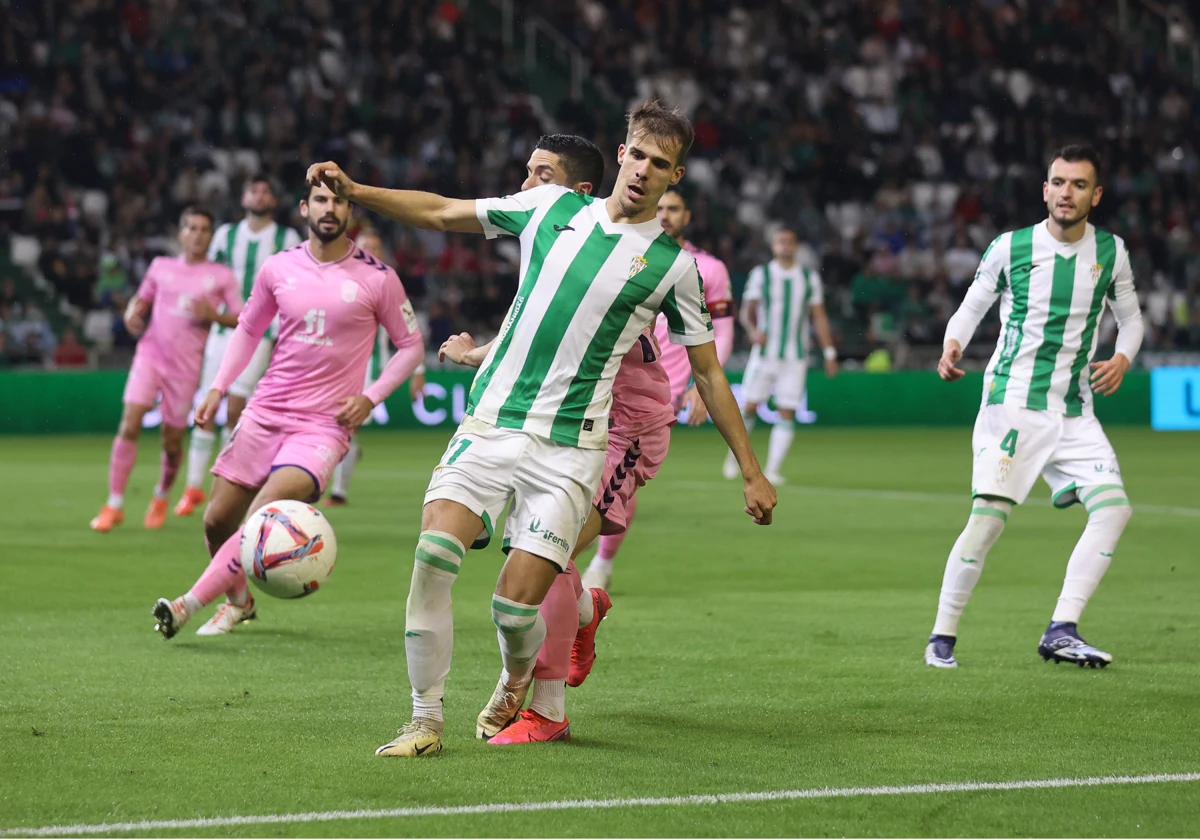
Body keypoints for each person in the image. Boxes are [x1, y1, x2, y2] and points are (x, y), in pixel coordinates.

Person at [307, 98, 777, 759]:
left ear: (676, 179)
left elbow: (708, 374)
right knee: (434, 557)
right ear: (621, 154)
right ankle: (423, 720)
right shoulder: (550, 208)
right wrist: (356, 192)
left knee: (512, 607)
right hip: (492, 422)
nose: (644, 170)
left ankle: (518, 671)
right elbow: (443, 212)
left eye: (661, 164)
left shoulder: (675, 268)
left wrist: (752, 472)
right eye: (638, 154)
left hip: (570, 450)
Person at [438, 132, 676, 745]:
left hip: (622, 428)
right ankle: (586, 614)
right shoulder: (568, 237)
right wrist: (477, 359)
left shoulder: (643, 259)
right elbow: (537, 332)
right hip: (557, 424)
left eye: (538, 175)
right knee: (541, 550)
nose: (524, 188)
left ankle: (546, 711)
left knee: (552, 555)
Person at [151, 182, 425, 638]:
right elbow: (247, 329)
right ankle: (239, 601)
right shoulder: (278, 268)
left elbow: (411, 346)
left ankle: (185, 605)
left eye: (338, 200)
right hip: (265, 411)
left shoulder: (377, 277)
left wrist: (370, 397)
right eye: (320, 199)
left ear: (348, 210)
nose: (329, 207)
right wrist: (219, 388)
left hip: (323, 426)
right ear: (304, 208)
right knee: (217, 521)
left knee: (261, 516)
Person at [924, 145, 1143, 669]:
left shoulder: (1111, 252)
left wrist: (1123, 357)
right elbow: (971, 307)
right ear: (1045, 189)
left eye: (1079, 184)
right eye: (1058, 182)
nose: (1067, 193)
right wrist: (952, 344)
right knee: (989, 521)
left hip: (1073, 408)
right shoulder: (1011, 247)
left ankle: (1061, 629)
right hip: (1012, 406)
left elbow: (1132, 319)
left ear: (1096, 194)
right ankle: (942, 637)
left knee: (1114, 509)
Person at [581, 187, 736, 592]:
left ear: (687, 216)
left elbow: (723, 329)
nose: (666, 214)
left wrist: (702, 386)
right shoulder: (625, 255)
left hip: (659, 393)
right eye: (661, 207)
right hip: (606, 382)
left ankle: (599, 562)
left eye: (674, 208)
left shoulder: (708, 268)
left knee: (621, 477)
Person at [90, 208, 241, 532]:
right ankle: (114, 503)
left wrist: (214, 316)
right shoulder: (161, 267)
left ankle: (161, 495)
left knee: (171, 443)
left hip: (185, 370)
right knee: (129, 424)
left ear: (211, 236)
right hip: (150, 355)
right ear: (181, 233)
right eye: (192, 228)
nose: (198, 234)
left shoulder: (221, 275)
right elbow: (140, 300)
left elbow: (243, 319)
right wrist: (133, 313)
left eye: (204, 229)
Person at [175, 175, 302, 518]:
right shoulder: (225, 235)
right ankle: (192, 488)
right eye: (253, 190)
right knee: (205, 409)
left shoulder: (286, 237)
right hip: (221, 331)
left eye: (265, 191)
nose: (258, 196)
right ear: (243, 196)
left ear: (274, 200)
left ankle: (231, 481)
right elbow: (209, 276)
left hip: (261, 332)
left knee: (235, 408)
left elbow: (292, 285)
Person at [722, 227, 838, 485]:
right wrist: (752, 330)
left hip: (795, 358)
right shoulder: (761, 275)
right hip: (764, 354)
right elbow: (746, 311)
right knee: (750, 406)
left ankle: (772, 470)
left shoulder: (808, 278)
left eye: (789, 241)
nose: (785, 246)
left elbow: (818, 315)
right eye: (780, 241)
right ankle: (734, 460)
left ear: (796, 246)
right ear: (773, 246)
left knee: (787, 412)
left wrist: (829, 351)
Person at [324, 228, 426, 507]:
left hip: (368, 369)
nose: (370, 253)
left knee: (347, 425)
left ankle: (338, 492)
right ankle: (346, 458)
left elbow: (409, 334)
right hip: (331, 367)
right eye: (364, 247)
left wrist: (418, 373)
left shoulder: (387, 285)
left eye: (376, 248)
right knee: (332, 427)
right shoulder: (335, 279)